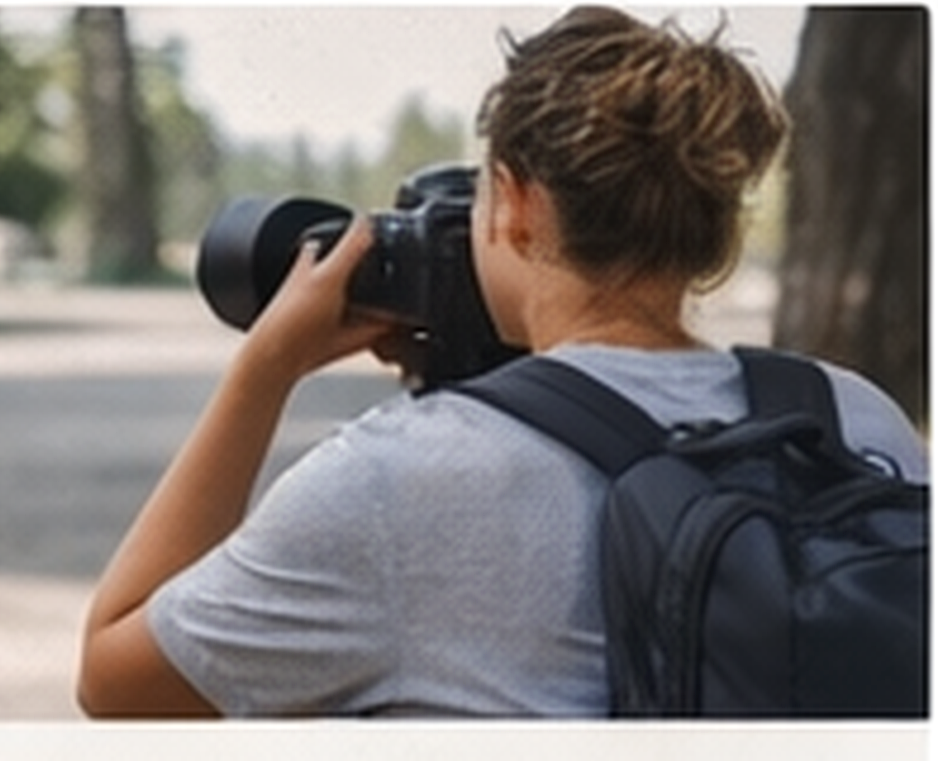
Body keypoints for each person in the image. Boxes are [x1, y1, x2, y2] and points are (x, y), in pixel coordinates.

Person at [77, 7, 928, 718]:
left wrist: (264, 368)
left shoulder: (397, 481)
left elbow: (115, 681)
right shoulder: (853, 417)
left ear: (517, 204)